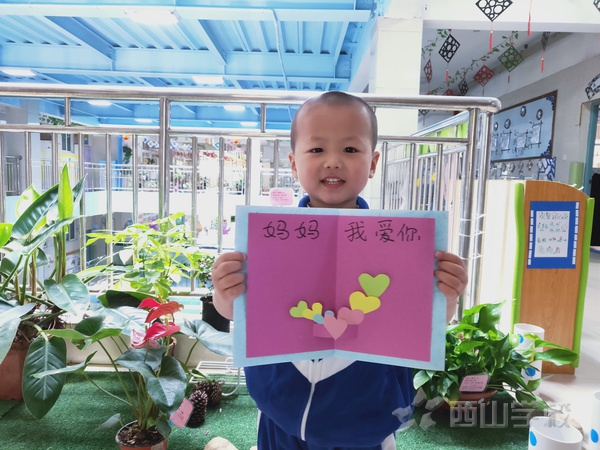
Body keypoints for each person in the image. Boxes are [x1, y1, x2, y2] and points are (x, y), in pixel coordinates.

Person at [211, 91, 468, 450]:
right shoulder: (267, 238)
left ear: (373, 162)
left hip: (365, 417)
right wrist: (225, 292)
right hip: (280, 409)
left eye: (350, 149)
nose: (333, 161)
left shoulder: (403, 244)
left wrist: (447, 295)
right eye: (317, 149)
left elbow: (424, 321)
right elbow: (236, 311)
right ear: (294, 163)